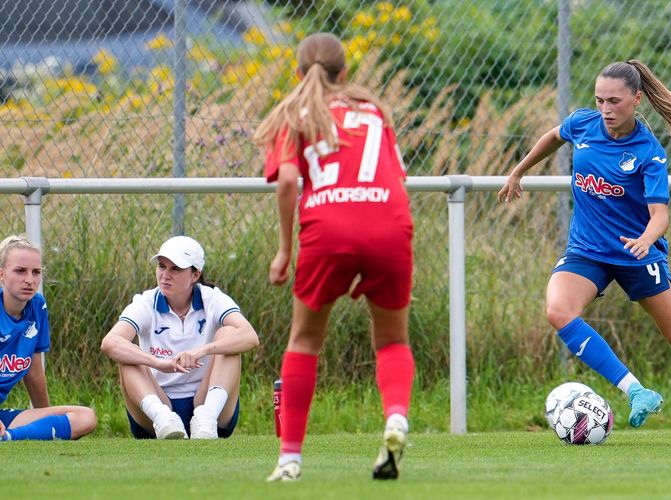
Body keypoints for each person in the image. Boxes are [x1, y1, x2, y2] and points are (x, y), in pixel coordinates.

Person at [498, 60, 671, 444]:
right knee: (558, 311)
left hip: (637, 254)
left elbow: (660, 214)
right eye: (600, 101)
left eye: (614, 101)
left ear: (637, 99)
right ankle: (636, 392)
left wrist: (646, 239)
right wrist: (519, 170)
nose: (606, 110)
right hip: (588, 251)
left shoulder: (649, 152)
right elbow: (553, 136)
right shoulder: (583, 124)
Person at [254, 32, 415, 481]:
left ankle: (289, 460)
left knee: (304, 341)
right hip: (390, 218)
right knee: (392, 341)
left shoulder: (293, 113)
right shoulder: (375, 110)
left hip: (329, 225)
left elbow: (288, 183)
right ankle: (396, 416)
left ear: (299, 74)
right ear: (344, 73)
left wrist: (285, 250)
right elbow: (394, 173)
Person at [101, 235, 259, 440]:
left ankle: (207, 419)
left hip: (205, 403)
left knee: (229, 334)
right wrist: (158, 363)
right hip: (157, 408)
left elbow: (250, 336)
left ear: (195, 275)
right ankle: (163, 418)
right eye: (161, 266)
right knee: (127, 352)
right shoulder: (146, 302)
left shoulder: (213, 298)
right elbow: (110, 342)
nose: (165, 275)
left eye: (175, 269)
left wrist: (203, 350)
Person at [0, 235, 96, 441]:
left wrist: (44, 417)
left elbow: (34, 373)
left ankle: (8, 437)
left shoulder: (37, 307)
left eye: (36, 272)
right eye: (20, 271)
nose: (29, 280)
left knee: (85, 417)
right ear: (2, 275)